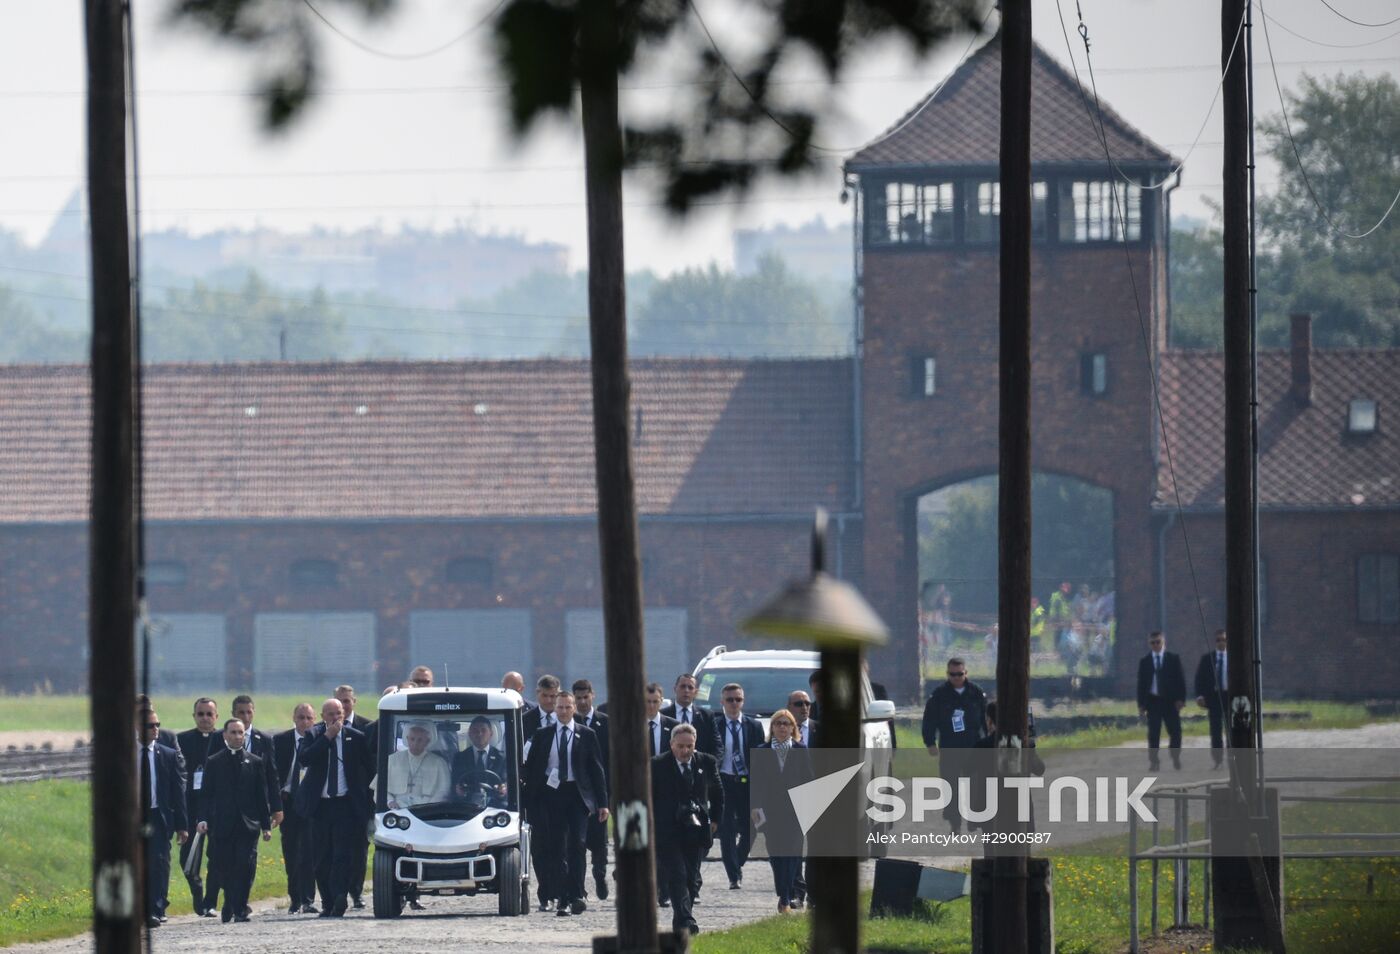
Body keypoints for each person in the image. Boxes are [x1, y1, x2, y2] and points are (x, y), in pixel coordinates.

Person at [523, 690, 609, 916]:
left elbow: (596, 770)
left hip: (577, 795)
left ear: (573, 709)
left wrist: (602, 803)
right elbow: (532, 768)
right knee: (557, 847)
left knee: (578, 845)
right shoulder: (543, 734)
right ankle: (562, 897)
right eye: (559, 707)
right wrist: (529, 799)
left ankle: (577, 893)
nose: (562, 711)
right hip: (551, 795)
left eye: (566, 707)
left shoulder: (586, 734)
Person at [296, 698, 373, 918]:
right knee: (321, 857)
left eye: (338, 713)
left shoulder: (355, 738)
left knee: (342, 854)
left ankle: (340, 895)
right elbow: (305, 759)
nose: (335, 717)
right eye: (330, 714)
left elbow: (369, 769)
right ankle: (328, 902)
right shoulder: (313, 735)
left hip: (345, 804)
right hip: (320, 805)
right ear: (322, 716)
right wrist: (327, 738)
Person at [196, 719, 271, 923]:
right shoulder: (214, 761)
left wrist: (266, 826)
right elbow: (206, 795)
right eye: (234, 732)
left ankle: (240, 908)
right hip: (222, 824)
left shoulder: (254, 762)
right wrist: (202, 818)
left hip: (248, 825)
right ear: (225, 735)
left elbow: (260, 797)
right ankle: (229, 902)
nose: (238, 736)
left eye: (241, 733)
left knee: (245, 866)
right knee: (225, 866)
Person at [651, 723, 723, 937]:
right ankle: (686, 920)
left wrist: (715, 820)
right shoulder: (657, 764)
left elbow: (718, 793)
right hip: (668, 830)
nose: (685, 751)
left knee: (692, 878)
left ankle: (681, 918)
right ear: (671, 744)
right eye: (680, 746)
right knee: (678, 873)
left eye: (689, 746)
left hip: (696, 829)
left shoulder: (706, 762)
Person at [751, 708, 811, 914]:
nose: (782, 728)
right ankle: (782, 892)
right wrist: (755, 807)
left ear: (793, 727)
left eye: (787, 724)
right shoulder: (762, 750)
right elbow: (756, 782)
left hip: (795, 811)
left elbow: (808, 780)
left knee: (792, 854)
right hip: (770, 811)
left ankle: (786, 897)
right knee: (776, 854)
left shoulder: (801, 750)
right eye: (778, 724)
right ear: (773, 727)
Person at [921, 657, 987, 833]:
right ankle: (954, 822)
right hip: (949, 745)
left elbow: (985, 721)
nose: (956, 677)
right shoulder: (939, 695)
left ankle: (974, 819)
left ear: (966, 673)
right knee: (951, 786)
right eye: (953, 674)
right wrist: (930, 742)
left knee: (976, 784)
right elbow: (929, 720)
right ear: (947, 674)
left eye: (960, 674)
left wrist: (989, 742)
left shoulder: (976, 693)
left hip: (973, 745)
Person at [137, 707, 188, 927]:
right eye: (150, 725)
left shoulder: (166, 754)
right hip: (133, 816)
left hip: (158, 815)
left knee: (158, 862)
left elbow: (178, 792)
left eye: (157, 724)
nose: (156, 729)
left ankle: (155, 910)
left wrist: (182, 825)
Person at [713, 682, 764, 889]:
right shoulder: (714, 724)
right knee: (727, 830)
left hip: (746, 781)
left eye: (738, 700)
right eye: (730, 700)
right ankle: (734, 875)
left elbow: (760, 758)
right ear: (722, 702)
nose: (734, 704)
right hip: (724, 780)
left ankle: (738, 862)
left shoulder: (754, 726)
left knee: (751, 828)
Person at [175, 697, 222, 916]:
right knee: (188, 858)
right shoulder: (182, 740)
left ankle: (210, 902)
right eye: (200, 714)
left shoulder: (225, 738)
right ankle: (197, 889)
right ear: (194, 716)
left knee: (217, 856)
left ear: (216, 717)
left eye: (209, 714)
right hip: (191, 807)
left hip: (218, 807)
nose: (205, 718)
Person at [521, 673, 562, 909]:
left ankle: (559, 889)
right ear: (538, 695)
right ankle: (545, 892)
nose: (549, 701)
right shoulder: (526, 720)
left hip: (562, 791)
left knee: (560, 843)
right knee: (540, 845)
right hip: (536, 792)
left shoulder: (565, 719)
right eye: (545, 696)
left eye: (553, 696)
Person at [273, 703, 318, 914]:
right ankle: (295, 898)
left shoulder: (319, 739)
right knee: (291, 852)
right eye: (301, 718)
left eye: (309, 718)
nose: (305, 722)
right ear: (294, 718)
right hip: (288, 802)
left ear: (315, 719)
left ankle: (308, 898)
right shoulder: (281, 741)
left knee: (308, 852)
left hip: (309, 803)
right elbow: (273, 774)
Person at [332, 684, 372, 908]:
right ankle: (335, 892)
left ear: (353, 702)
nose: (344, 706)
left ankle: (356, 891)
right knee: (336, 849)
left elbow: (371, 765)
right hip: (334, 798)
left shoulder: (367, 727)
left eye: (347, 701)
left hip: (358, 798)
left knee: (359, 849)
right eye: (340, 701)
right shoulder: (324, 729)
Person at [573, 679, 610, 901]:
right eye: (578, 698)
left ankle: (600, 873)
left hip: (600, 790)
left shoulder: (605, 723)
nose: (582, 702)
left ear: (592, 696)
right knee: (577, 841)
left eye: (586, 697)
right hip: (578, 791)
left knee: (599, 839)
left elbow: (611, 760)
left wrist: (608, 795)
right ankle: (579, 887)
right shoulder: (571, 722)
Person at [1136, 631, 1186, 770]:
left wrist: (1181, 699)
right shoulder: (1145, 661)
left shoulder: (1173, 659)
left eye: (1158, 642)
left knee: (1175, 732)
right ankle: (1154, 761)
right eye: (1153, 643)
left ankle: (1175, 757)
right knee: (1153, 733)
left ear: (1163, 642)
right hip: (1153, 701)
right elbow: (1141, 684)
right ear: (1149, 644)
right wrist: (1141, 705)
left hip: (1170, 702)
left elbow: (1180, 680)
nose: (1156, 645)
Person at [386, 723, 453, 808]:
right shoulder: (392, 759)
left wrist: (430, 806)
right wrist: (390, 801)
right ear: (407, 739)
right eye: (412, 739)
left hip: (427, 807)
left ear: (427, 741)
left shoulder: (439, 762)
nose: (415, 743)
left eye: (420, 740)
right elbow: (380, 788)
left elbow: (443, 791)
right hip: (398, 807)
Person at [452, 716, 509, 806]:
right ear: (470, 734)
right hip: (467, 804)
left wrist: (502, 790)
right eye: (475, 730)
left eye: (483, 730)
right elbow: (455, 784)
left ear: (491, 733)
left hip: (494, 805)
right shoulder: (459, 757)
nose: (479, 734)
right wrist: (459, 792)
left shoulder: (501, 758)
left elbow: (505, 783)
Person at [1194, 629, 1230, 766]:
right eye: (1218, 640)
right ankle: (1217, 759)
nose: (1221, 642)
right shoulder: (1207, 659)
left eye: (1224, 639)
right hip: (1214, 697)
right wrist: (1200, 696)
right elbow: (1199, 679)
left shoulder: (1234, 658)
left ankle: (1233, 759)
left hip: (1229, 697)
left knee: (1231, 730)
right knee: (1215, 730)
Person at [662, 673, 716, 756]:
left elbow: (716, 746)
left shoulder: (707, 716)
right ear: (675, 689)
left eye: (690, 687)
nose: (686, 690)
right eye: (683, 686)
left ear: (696, 692)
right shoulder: (663, 715)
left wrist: (710, 765)